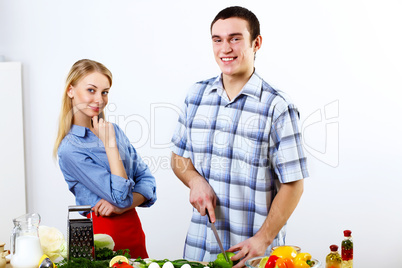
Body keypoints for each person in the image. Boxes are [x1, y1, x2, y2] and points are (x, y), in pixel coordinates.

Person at [171, 6, 308, 267]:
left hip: (254, 255)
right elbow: (179, 158)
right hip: (200, 249)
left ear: (256, 43)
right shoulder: (196, 96)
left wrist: (262, 239)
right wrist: (195, 181)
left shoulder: (277, 107)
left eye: (235, 38)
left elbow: (294, 185)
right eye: (217, 40)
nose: (225, 49)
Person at [54, 59, 156, 259]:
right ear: (71, 90)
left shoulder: (113, 131)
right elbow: (121, 196)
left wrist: (121, 206)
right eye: (91, 90)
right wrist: (110, 146)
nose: (99, 99)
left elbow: (148, 181)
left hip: (133, 230)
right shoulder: (70, 149)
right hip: (102, 235)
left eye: (105, 92)